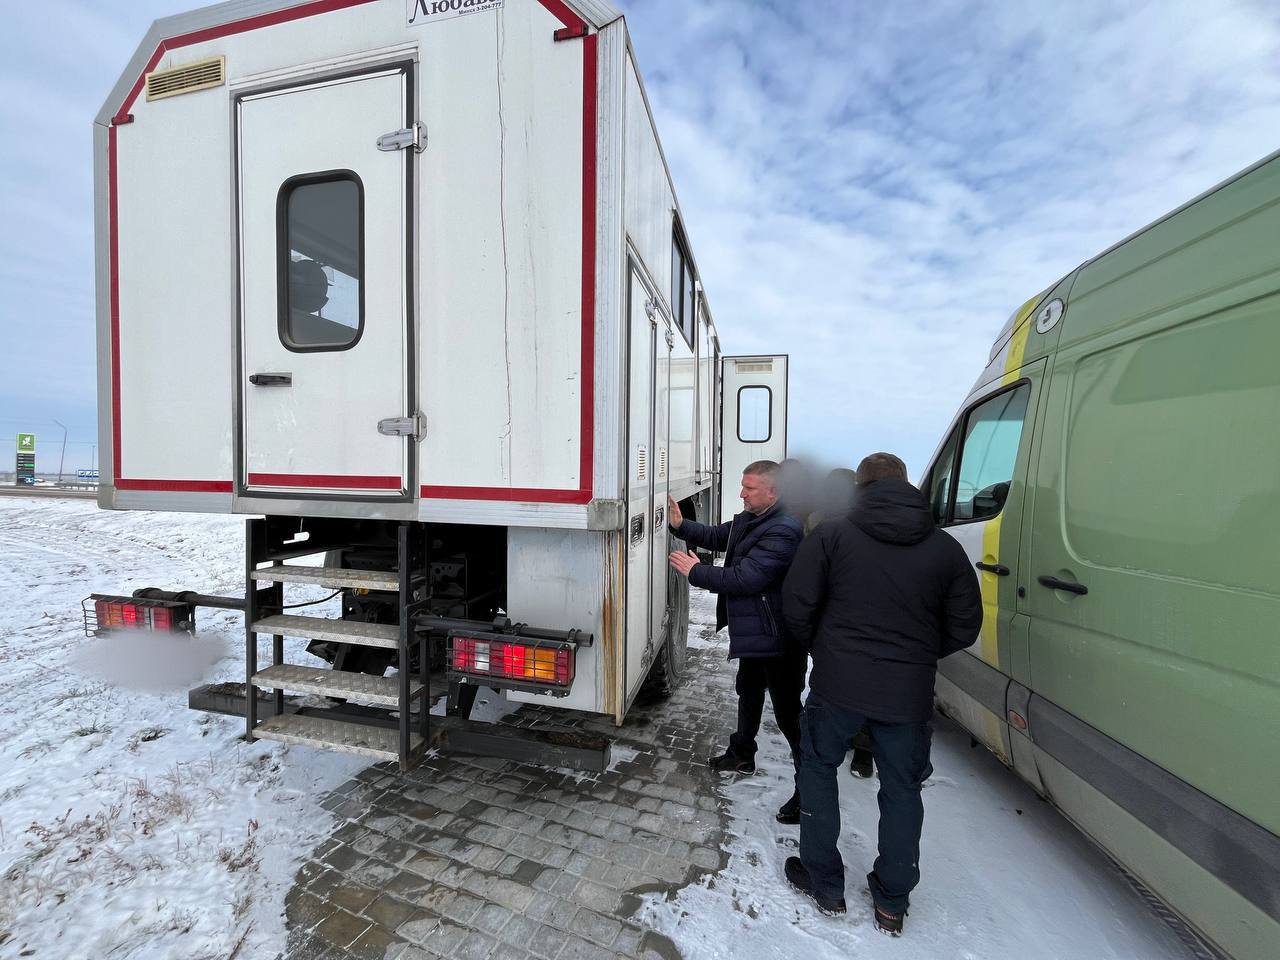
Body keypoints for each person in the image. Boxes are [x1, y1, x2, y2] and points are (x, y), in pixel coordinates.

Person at [780, 453, 982, 936]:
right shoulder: (944, 549)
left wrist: (823, 649)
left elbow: (797, 604)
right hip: (906, 696)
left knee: (819, 769)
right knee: (902, 790)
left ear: (860, 487)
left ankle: (824, 880)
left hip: (837, 686)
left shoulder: (832, 536)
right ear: (907, 486)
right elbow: (965, 626)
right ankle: (892, 900)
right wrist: (915, 656)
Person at [667, 460, 806, 822]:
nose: (741, 493)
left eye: (749, 488)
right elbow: (718, 536)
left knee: (790, 715)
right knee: (748, 690)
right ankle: (741, 753)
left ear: (773, 492)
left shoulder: (785, 529)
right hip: (757, 633)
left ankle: (810, 789)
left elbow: (747, 578)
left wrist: (696, 571)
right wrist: (682, 525)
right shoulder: (753, 518)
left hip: (779, 638)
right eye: (742, 486)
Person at [800, 467, 876, 780]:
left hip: (830, 619)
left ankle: (839, 740)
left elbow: (806, 571)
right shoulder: (870, 520)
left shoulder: (816, 519)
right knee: (868, 684)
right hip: (869, 617)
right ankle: (864, 752)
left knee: (832, 682)